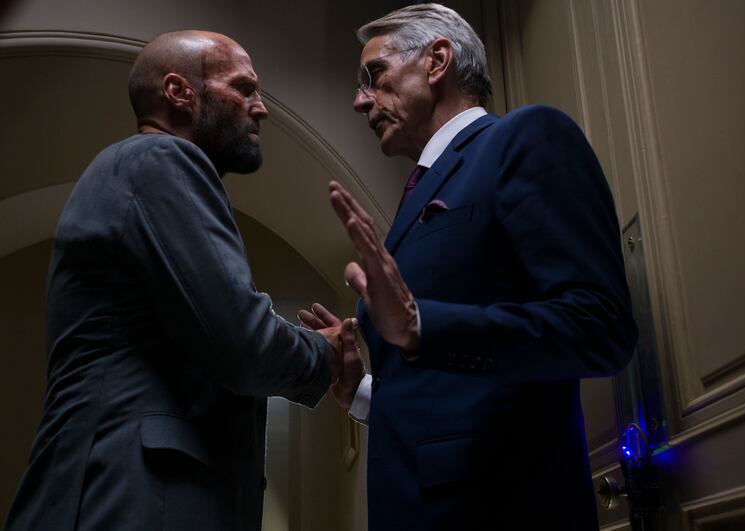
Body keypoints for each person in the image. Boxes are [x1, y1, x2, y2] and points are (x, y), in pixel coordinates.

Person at [299, 4, 638, 530]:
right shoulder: (420, 191)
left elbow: (601, 328)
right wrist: (360, 392)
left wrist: (422, 326)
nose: (360, 100)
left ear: (437, 61)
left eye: (374, 75)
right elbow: (442, 397)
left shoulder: (524, 138)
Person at [5, 30, 353, 531]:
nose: (261, 108)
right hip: (133, 496)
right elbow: (241, 340)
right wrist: (325, 352)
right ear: (179, 92)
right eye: (244, 89)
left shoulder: (133, 170)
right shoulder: (163, 160)